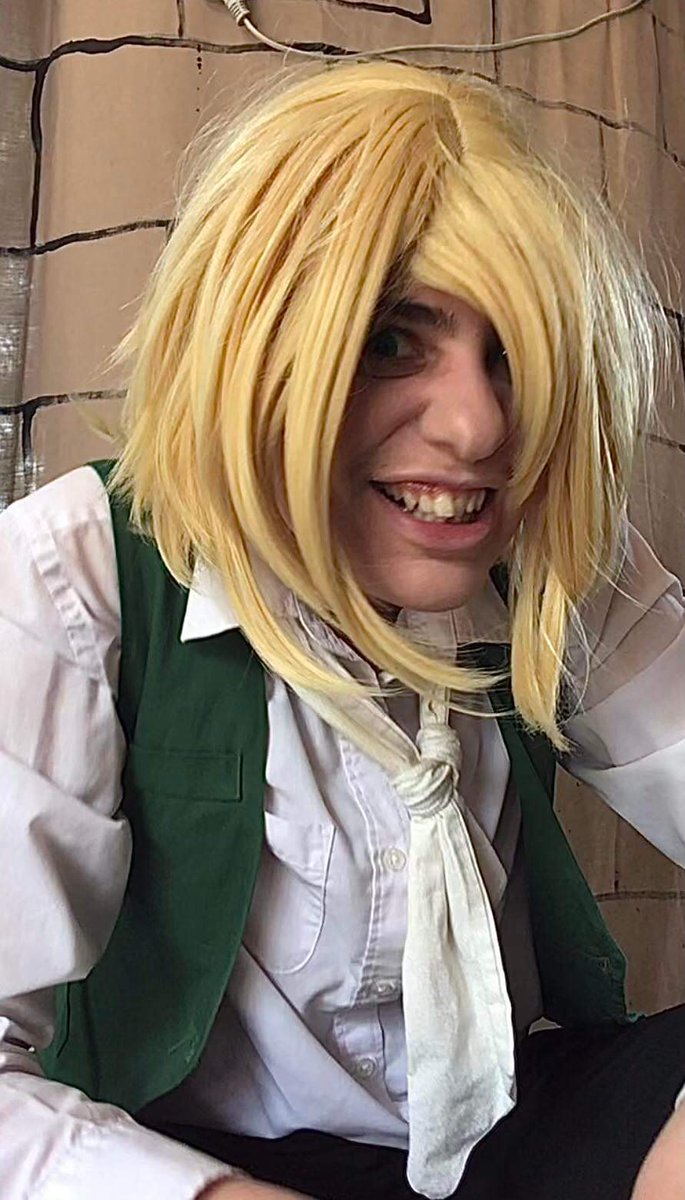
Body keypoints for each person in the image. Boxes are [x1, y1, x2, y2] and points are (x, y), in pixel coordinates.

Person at [0, 59, 683, 1200]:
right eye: (389, 343)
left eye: (512, 356)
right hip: (200, 1158)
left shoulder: (551, 553)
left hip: (512, 1129)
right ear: (249, 345)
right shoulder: (75, 573)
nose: (477, 428)